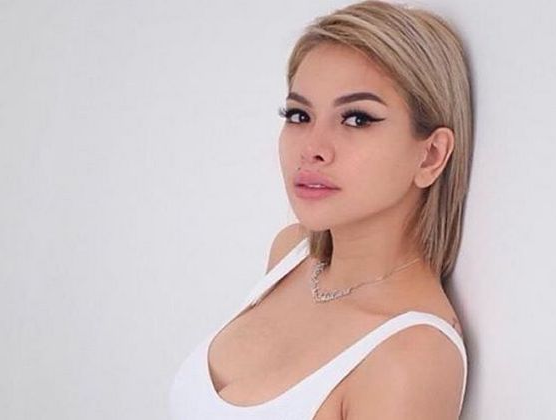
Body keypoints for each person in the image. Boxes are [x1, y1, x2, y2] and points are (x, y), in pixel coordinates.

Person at [169, 0, 474, 419]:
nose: (311, 149)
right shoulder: (291, 255)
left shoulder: (411, 356)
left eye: (357, 119)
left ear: (431, 155)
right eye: (299, 115)